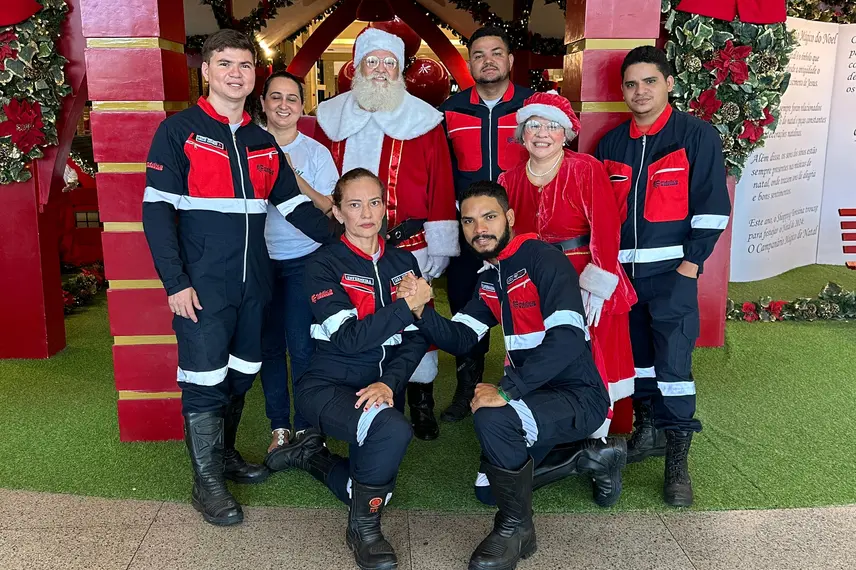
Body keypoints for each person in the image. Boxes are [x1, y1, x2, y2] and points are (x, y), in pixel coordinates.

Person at [141, 30, 337, 526]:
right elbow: (157, 214)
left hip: (256, 285)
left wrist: (354, 234)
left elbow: (296, 209)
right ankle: (206, 483)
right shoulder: (178, 131)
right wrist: (175, 283)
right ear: (205, 71)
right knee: (205, 380)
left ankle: (223, 456)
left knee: (241, 372)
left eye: (244, 65)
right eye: (224, 64)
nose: (235, 73)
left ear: (255, 74)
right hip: (202, 288)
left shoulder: (262, 141)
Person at [398, 181, 626, 570]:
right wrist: (422, 311)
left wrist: (507, 390)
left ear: (510, 218)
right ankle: (594, 458)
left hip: (579, 396)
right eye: (468, 221)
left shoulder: (542, 258)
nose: (478, 229)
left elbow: (569, 340)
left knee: (492, 415)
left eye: (488, 217)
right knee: (488, 491)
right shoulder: (490, 278)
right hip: (535, 398)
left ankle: (516, 531)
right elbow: (461, 338)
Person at [271, 168, 432, 570]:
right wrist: (405, 307)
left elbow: (415, 337)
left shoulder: (403, 261)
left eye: (374, 202)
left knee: (372, 487)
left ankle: (311, 457)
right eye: (354, 204)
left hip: (377, 387)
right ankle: (363, 528)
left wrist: (389, 382)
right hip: (326, 386)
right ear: (338, 213)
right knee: (392, 430)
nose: (366, 213)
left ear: (384, 208)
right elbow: (347, 339)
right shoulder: (321, 265)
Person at [595, 46, 731, 506]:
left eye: (649, 81)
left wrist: (690, 266)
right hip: (624, 281)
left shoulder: (696, 136)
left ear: (668, 83)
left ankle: (677, 459)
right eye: (631, 84)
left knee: (674, 369)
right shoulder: (610, 145)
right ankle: (649, 431)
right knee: (638, 364)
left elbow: (713, 209)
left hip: (673, 276)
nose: (639, 92)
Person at [314, 28, 459, 440]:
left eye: (389, 62)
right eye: (372, 61)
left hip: (410, 243)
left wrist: (439, 241)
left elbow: (441, 183)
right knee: (351, 315)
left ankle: (421, 401)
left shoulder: (425, 120)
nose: (380, 70)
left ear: (400, 70)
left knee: (415, 318)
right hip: (347, 244)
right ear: (357, 66)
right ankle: (346, 392)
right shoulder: (329, 117)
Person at [498, 91, 637, 439]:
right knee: (542, 348)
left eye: (551, 126)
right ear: (522, 132)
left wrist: (597, 286)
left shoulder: (585, 168)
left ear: (566, 133)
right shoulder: (508, 179)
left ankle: (599, 436)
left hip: (583, 275)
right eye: (534, 125)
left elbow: (606, 230)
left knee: (590, 351)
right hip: (533, 280)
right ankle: (547, 424)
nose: (542, 133)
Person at [437, 26, 533, 423]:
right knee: (465, 303)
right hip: (470, 232)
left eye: (497, 53)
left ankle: (526, 385)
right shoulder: (450, 110)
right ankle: (467, 386)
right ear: (470, 62)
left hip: (521, 227)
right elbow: (441, 172)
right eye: (479, 54)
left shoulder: (534, 106)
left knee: (525, 304)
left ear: (510, 60)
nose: (488, 60)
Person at [258, 71, 339, 453]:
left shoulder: (316, 152)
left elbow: (330, 207)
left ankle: (307, 425)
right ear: (263, 103)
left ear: (301, 106)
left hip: (303, 259)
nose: (284, 105)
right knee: (269, 346)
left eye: (292, 98)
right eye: (276, 97)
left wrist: (291, 177)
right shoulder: (247, 145)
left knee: (302, 346)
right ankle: (280, 426)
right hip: (258, 262)